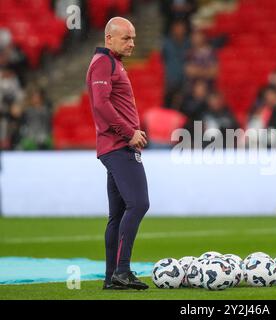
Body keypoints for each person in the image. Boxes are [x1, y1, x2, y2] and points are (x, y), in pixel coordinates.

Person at [86, 17, 149, 290]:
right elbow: (101, 104)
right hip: (119, 146)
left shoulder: (112, 63)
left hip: (115, 145)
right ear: (108, 38)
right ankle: (122, 270)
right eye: (126, 38)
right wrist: (129, 132)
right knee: (139, 204)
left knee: (119, 213)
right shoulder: (103, 62)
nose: (132, 42)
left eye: (133, 37)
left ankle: (112, 277)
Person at [162, 20, 190, 108]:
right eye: (177, 28)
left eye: (181, 29)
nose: (179, 31)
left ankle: (193, 122)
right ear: (172, 30)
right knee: (171, 108)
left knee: (190, 109)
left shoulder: (189, 43)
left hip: (186, 82)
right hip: (171, 81)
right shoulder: (166, 44)